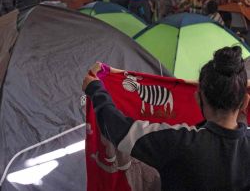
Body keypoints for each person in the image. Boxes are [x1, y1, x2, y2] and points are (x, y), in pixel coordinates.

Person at [83, 46, 250, 190]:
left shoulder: (178, 142)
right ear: (245, 102)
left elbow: (118, 128)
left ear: (198, 98)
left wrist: (95, 88)